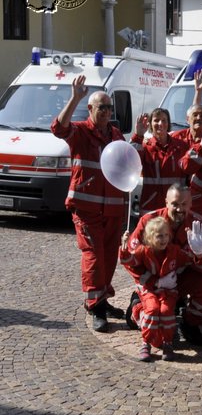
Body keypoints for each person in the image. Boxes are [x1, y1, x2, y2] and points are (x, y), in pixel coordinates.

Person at [51, 75, 127, 330]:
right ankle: (96, 308)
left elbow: (125, 163)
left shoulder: (116, 134)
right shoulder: (81, 131)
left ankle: (101, 299)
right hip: (87, 208)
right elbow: (59, 128)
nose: (106, 111)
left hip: (113, 208)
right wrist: (75, 98)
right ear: (91, 109)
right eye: (101, 107)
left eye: (109, 107)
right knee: (93, 255)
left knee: (108, 256)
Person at [121, 216, 202, 361]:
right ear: (150, 238)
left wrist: (198, 252)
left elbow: (192, 261)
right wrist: (124, 248)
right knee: (152, 310)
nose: (163, 239)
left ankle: (167, 343)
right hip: (149, 291)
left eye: (165, 235)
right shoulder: (143, 251)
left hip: (168, 292)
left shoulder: (174, 251)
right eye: (159, 236)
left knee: (166, 312)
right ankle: (145, 342)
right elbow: (129, 261)